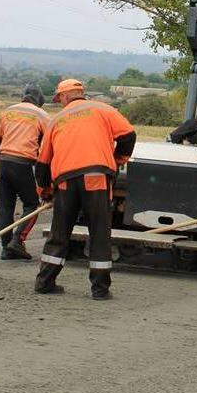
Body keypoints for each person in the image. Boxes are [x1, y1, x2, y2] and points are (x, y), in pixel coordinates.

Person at [34, 79, 135, 300]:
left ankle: (45, 282)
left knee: (59, 233)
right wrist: (118, 159)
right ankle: (100, 290)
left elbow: (42, 163)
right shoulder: (104, 110)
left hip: (65, 180)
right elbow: (128, 135)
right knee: (99, 233)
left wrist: (44, 190)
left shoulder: (56, 120)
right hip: (96, 177)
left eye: (58, 97)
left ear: (65, 96)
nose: (59, 102)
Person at [0, 84, 50, 260]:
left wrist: (0, 162)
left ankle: (6, 248)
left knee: (6, 208)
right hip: (23, 164)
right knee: (32, 205)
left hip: (4, 163)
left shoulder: (7, 112)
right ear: (39, 100)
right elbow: (48, 146)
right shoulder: (42, 115)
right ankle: (17, 241)